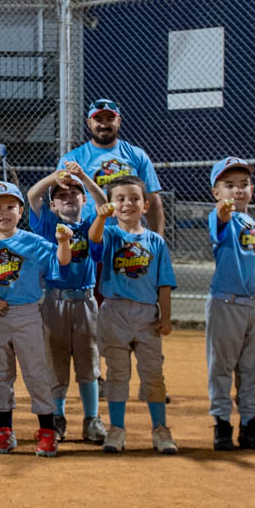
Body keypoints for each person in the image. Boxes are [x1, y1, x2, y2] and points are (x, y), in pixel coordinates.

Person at [0, 181, 73, 458]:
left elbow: (61, 261)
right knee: (0, 373)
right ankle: (5, 429)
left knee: (36, 371)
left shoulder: (33, 242)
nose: (4, 213)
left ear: (21, 211)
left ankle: (47, 429)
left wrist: (63, 242)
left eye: (10, 206)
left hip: (27, 314)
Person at [88, 175, 178, 454]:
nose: (128, 203)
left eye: (134, 198)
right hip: (115, 311)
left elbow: (164, 283)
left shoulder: (156, 241)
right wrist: (101, 217)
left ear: (146, 205)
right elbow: (94, 240)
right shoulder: (111, 234)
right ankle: (116, 429)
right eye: (120, 199)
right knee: (117, 374)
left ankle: (160, 429)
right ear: (112, 206)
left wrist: (166, 317)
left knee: (153, 374)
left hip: (147, 314)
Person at [24, 163, 107, 444]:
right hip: (54, 301)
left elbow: (103, 204)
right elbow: (32, 196)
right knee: (55, 362)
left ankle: (92, 419)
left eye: (74, 193)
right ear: (53, 205)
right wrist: (54, 177)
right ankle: (57, 417)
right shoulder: (49, 225)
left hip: (85, 301)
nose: (69, 197)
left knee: (88, 363)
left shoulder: (90, 224)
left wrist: (83, 177)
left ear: (84, 200)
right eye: (61, 195)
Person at [203, 157, 255, 452]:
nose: (238, 190)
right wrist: (223, 209)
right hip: (227, 303)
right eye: (229, 185)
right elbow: (221, 218)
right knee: (221, 367)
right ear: (216, 193)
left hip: (254, 307)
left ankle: (249, 423)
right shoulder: (222, 219)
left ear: (252, 189)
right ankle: (222, 422)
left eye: (244, 184)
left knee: (250, 370)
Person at [59, 98, 165, 234]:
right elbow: (61, 202)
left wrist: (158, 239)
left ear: (119, 122)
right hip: (89, 234)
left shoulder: (136, 155)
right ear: (89, 123)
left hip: (128, 234)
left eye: (110, 119)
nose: (104, 125)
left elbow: (152, 199)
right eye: (98, 119)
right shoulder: (72, 159)